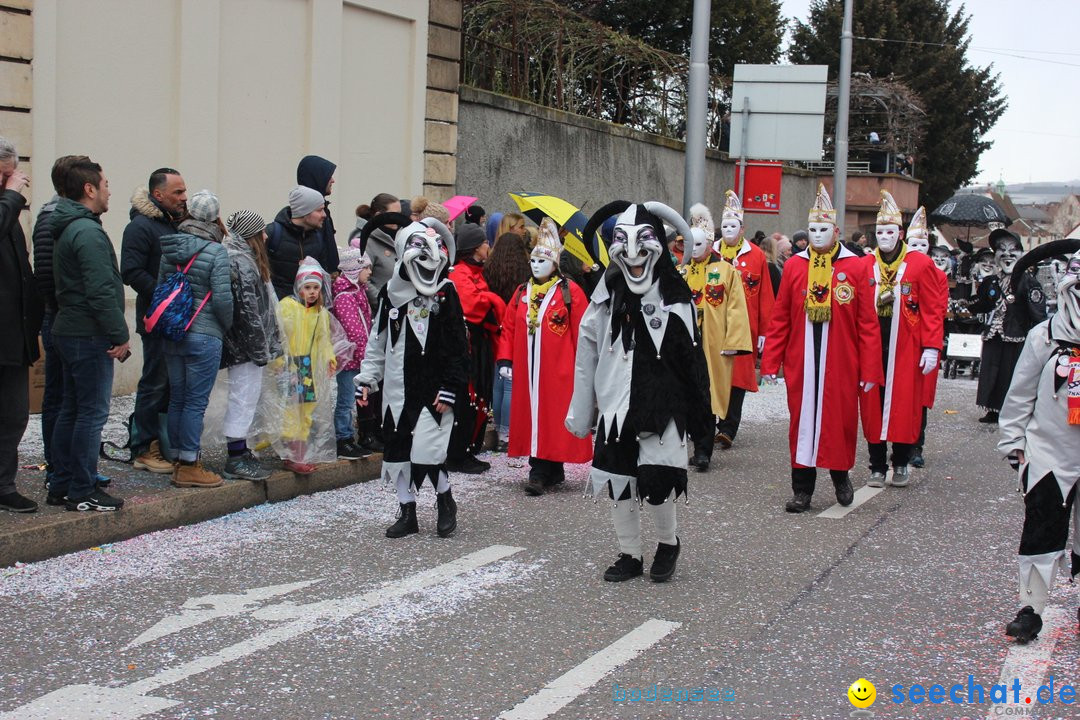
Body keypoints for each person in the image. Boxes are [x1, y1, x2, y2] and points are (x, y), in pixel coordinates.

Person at [567, 200, 710, 584]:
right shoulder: (604, 297)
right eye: (623, 245)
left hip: (662, 405)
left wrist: (701, 422)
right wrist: (582, 413)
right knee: (618, 479)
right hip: (615, 405)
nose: (633, 256)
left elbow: (693, 362)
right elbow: (587, 356)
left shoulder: (676, 297)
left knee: (659, 479)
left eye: (643, 242)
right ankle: (630, 553)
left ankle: (667, 542)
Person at [761, 184, 882, 513]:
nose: (816, 235)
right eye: (812, 229)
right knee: (802, 423)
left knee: (838, 422)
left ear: (836, 231)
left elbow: (868, 323)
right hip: (803, 362)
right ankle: (802, 489)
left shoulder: (855, 267)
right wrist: (770, 361)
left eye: (823, 230)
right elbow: (781, 317)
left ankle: (840, 477)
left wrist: (870, 370)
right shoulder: (796, 267)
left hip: (841, 362)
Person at [356, 218, 467, 539]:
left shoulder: (446, 293)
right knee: (398, 451)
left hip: (433, 389)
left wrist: (450, 387)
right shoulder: (392, 294)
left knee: (429, 452)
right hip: (396, 391)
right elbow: (378, 341)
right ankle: (408, 511)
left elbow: (459, 347)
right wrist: (367, 379)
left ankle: (446, 500)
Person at [996, 239, 1080, 644]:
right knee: (1042, 527)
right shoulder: (1044, 336)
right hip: (1050, 450)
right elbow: (1020, 392)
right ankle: (1031, 608)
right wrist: (1013, 440)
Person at [49, 157, 129, 511]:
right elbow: (100, 290)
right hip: (87, 333)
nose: (110, 190)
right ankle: (82, 490)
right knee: (90, 414)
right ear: (89, 189)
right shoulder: (87, 232)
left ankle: (63, 484)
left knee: (72, 410)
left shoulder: (71, 227)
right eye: (106, 184)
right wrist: (119, 333)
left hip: (70, 330)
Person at [858, 196, 946, 490]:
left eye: (890, 232)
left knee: (903, 407)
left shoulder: (920, 264)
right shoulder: (865, 265)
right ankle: (877, 465)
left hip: (906, 349)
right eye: (879, 232)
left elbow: (933, 309)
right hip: (872, 347)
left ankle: (901, 462)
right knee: (872, 406)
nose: (884, 237)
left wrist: (932, 347)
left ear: (900, 232)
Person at [498, 219, 592, 495]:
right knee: (532, 417)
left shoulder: (569, 292)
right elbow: (509, 329)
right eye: (534, 260)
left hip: (559, 370)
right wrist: (505, 360)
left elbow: (583, 331)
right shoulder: (521, 293)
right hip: (528, 371)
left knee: (554, 417)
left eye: (543, 260)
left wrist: (584, 366)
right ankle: (539, 468)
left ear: (555, 264)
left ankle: (548, 467)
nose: (536, 265)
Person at [157, 190, 233, 488]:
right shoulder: (216, 252)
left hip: (173, 331)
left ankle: (177, 459)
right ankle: (190, 464)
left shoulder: (170, 247)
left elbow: (163, 288)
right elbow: (223, 300)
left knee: (178, 397)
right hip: (204, 333)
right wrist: (224, 327)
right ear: (215, 217)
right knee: (195, 403)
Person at [123, 167, 186, 475]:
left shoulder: (173, 224)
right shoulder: (141, 227)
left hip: (176, 318)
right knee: (155, 380)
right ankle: (143, 446)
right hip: (156, 317)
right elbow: (131, 271)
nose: (183, 197)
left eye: (184, 191)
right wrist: (164, 296)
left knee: (171, 383)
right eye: (178, 192)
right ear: (158, 195)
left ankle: (162, 442)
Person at [680, 204, 752, 472]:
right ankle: (696, 442)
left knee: (708, 396)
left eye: (699, 243)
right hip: (686, 344)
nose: (694, 249)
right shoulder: (682, 272)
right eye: (690, 243)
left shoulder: (726, 271)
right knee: (688, 395)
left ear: (710, 243)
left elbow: (735, 307)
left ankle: (703, 450)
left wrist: (733, 342)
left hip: (713, 345)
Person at [219, 210, 282, 481]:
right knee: (243, 398)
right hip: (245, 347)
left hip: (247, 346)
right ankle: (235, 456)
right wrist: (260, 348)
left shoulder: (242, 259)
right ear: (251, 235)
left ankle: (240, 450)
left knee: (246, 397)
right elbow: (248, 311)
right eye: (262, 232)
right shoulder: (242, 263)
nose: (266, 236)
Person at [0, 138, 44, 513]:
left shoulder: (9, 213)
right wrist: (10, 197)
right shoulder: (7, 206)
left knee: (13, 416)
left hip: (12, 335)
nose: (11, 184)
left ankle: (4, 485)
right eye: (3, 176)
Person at [713, 190, 775, 449]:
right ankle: (708, 422)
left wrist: (764, 332)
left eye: (733, 225)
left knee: (736, 378)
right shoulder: (710, 252)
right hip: (713, 329)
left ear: (742, 228)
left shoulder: (757, 257)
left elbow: (765, 297)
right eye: (724, 225)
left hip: (743, 329)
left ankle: (728, 427)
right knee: (711, 374)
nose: (728, 230)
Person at [967, 229, 1047, 423]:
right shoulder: (990, 281)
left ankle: (1010, 409)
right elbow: (983, 304)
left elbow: (1038, 314)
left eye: (1013, 250)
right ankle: (992, 409)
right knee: (990, 372)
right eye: (1001, 250)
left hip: (1016, 336)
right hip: (993, 335)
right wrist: (967, 303)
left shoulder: (1028, 283)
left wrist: (1039, 339)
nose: (1007, 254)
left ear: (1021, 254)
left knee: (1011, 374)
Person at [447, 223, 506, 473]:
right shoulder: (460, 273)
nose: (488, 246)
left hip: (481, 344)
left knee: (481, 396)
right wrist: (492, 299)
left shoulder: (475, 272)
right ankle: (458, 454)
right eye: (484, 243)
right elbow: (472, 307)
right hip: (470, 345)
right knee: (469, 398)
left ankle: (470, 449)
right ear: (474, 248)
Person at [277, 257, 337, 474]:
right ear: (298, 287)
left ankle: (298, 453)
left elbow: (324, 339)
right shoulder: (287, 307)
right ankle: (292, 454)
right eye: (307, 287)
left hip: (307, 367)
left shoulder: (319, 313)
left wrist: (330, 358)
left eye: (316, 288)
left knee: (306, 409)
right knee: (292, 411)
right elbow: (279, 336)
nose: (312, 292)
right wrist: (278, 362)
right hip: (291, 365)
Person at [484, 231, 532, 449]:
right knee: (511, 382)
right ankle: (507, 434)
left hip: (494, 326)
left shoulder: (489, 268)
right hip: (516, 324)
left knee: (498, 381)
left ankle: (499, 426)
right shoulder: (525, 270)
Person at [330, 247, 374, 460]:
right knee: (346, 399)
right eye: (366, 266)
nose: (370, 271)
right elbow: (354, 330)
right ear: (354, 269)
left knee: (353, 398)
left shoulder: (358, 291)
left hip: (358, 356)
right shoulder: (346, 297)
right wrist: (364, 353)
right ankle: (343, 439)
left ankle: (349, 437)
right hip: (350, 358)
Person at [267, 185, 334, 299]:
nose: (324, 215)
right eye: (319, 210)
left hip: (308, 311)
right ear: (304, 211)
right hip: (278, 309)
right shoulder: (272, 233)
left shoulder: (318, 237)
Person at [356, 193, 403, 304]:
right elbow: (362, 279)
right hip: (380, 312)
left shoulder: (401, 237)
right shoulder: (367, 242)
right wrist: (381, 301)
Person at [296, 155, 339, 272]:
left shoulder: (324, 210)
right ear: (318, 177)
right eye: (329, 176)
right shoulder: (305, 215)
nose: (333, 180)